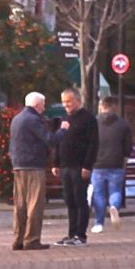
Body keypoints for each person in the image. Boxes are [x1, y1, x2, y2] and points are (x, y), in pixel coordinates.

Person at [51, 88, 99, 245]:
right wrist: (56, 162)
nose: (66, 105)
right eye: (64, 102)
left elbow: (93, 144)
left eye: (69, 101)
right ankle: (71, 234)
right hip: (65, 165)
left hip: (79, 165)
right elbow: (59, 141)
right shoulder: (65, 118)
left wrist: (88, 165)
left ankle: (81, 235)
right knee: (69, 200)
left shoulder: (88, 118)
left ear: (78, 100)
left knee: (80, 199)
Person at [8, 92, 52, 250]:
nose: (44, 107)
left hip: (18, 165)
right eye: (43, 104)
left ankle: (18, 239)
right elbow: (49, 139)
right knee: (35, 204)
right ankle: (32, 239)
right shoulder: (34, 119)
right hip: (34, 165)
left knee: (20, 205)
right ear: (37, 105)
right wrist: (63, 131)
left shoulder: (17, 118)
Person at [91, 97, 135, 232]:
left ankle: (99, 223)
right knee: (115, 190)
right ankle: (114, 207)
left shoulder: (94, 123)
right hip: (116, 163)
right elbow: (128, 146)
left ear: (101, 106)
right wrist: (125, 156)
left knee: (98, 194)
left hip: (97, 163)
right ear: (114, 107)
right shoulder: (123, 124)